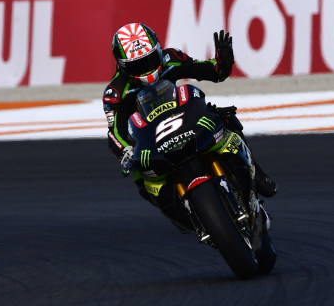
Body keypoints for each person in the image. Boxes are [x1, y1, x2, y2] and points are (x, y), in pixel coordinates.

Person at [102, 22, 277, 216]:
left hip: (186, 118)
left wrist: (223, 61)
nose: (148, 69)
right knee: (142, 180)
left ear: (158, 49)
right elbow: (115, 132)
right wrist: (125, 150)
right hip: (150, 141)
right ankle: (186, 216)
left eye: (151, 59)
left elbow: (213, 72)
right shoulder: (116, 92)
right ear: (122, 65)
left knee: (225, 118)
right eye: (138, 65)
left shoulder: (171, 58)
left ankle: (258, 176)